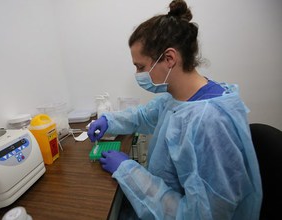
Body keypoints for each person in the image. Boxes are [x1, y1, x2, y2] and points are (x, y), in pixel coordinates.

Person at [87, 0, 262, 219]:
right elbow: (144, 115)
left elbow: (201, 215)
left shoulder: (209, 121)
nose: (138, 74)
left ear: (169, 59)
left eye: (140, 67)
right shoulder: (180, 98)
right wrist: (109, 120)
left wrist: (128, 172)